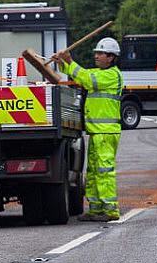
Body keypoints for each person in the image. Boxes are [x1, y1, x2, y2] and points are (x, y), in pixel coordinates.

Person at [51, 37, 123, 221]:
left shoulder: (111, 75)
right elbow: (79, 75)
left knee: (104, 171)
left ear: (111, 57)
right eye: (96, 53)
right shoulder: (99, 73)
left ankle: (110, 210)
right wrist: (63, 64)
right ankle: (96, 209)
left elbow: (87, 79)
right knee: (93, 172)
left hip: (106, 133)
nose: (96, 56)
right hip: (97, 132)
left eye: (100, 53)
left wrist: (70, 61)